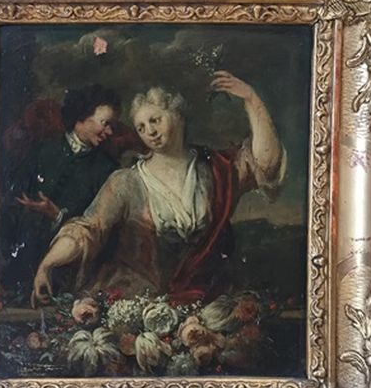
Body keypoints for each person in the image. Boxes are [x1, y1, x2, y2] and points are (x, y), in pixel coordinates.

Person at [31, 71, 285, 308]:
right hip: (137, 301)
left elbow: (267, 164)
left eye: (155, 120)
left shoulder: (215, 169)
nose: (150, 132)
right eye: (141, 128)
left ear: (177, 116)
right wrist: (47, 264)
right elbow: (88, 230)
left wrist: (252, 100)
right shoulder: (126, 182)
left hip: (208, 298)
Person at [0, 84, 121, 303]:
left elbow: (100, 225)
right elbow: (13, 193)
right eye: (105, 123)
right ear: (82, 117)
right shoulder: (43, 149)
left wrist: (57, 215)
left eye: (112, 126)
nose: (110, 132)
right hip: (20, 253)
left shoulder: (107, 168)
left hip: (68, 265)